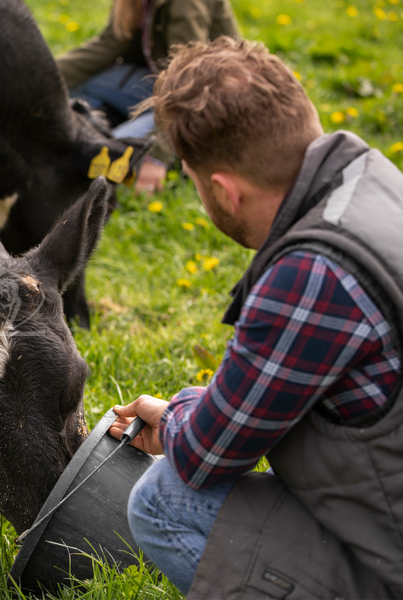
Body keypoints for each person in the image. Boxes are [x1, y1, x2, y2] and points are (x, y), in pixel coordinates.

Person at [109, 37, 403, 597]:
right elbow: (264, 403)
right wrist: (189, 412)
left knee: (163, 500)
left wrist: (175, 420)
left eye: (193, 183)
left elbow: (206, 457)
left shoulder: (312, 275)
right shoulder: (372, 180)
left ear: (222, 189)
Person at [55, 0, 240, 194]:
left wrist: (157, 156)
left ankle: (171, 150)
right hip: (157, 87)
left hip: (204, 105)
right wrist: (40, 75)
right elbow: (111, 43)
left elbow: (190, 85)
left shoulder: (188, 4)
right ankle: (111, 123)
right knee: (76, 84)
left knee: (107, 153)